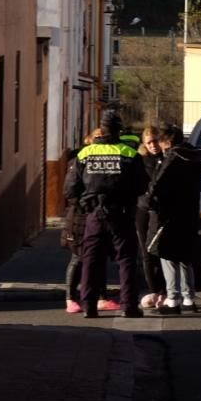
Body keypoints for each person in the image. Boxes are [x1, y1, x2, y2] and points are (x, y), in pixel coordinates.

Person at [66, 111, 148, 318]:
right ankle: (129, 306)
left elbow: (70, 189)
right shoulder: (129, 153)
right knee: (127, 260)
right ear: (119, 130)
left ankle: (89, 307)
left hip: (93, 214)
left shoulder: (85, 154)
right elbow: (141, 185)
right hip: (121, 213)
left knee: (91, 260)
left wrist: (85, 206)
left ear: (101, 129)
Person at [147, 123, 201, 314]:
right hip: (189, 211)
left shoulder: (173, 158)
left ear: (168, 141)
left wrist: (150, 201)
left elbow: (158, 185)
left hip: (170, 213)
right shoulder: (195, 157)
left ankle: (172, 300)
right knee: (185, 257)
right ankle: (189, 298)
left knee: (167, 255)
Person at [61, 129, 116, 313]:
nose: (101, 142)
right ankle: (70, 298)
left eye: (103, 138)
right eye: (97, 138)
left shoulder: (103, 161)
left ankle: (101, 296)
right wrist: (86, 204)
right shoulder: (79, 160)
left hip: (96, 214)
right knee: (78, 257)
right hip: (80, 216)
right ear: (90, 140)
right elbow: (70, 190)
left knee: (97, 256)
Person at [136, 126, 167, 309]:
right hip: (143, 209)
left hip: (160, 210)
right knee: (146, 251)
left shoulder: (166, 159)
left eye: (155, 141)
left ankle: (163, 290)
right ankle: (153, 289)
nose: (153, 145)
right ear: (144, 144)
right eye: (149, 142)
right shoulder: (140, 161)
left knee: (161, 250)